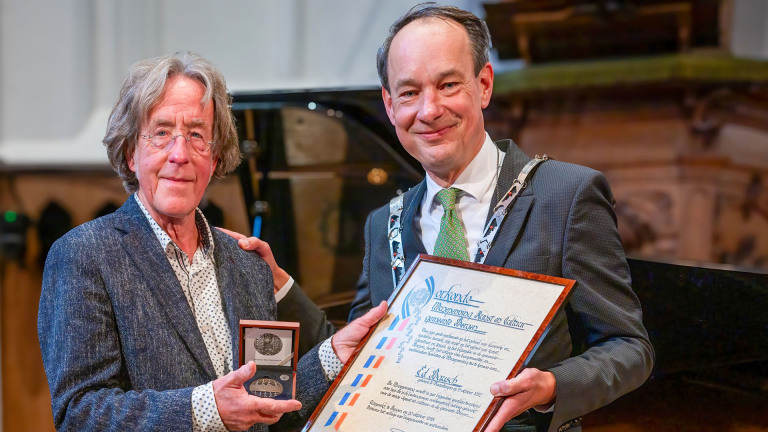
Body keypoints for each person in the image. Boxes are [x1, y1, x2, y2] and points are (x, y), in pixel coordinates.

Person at [235, 4, 654, 432]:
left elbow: (629, 348)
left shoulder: (565, 196)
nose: (429, 110)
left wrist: (551, 386)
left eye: (448, 84)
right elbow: (360, 351)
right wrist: (281, 285)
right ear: (390, 103)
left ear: (484, 84)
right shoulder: (384, 225)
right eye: (410, 92)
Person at [37, 51, 385, 432]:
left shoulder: (248, 264)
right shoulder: (85, 254)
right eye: (161, 133)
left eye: (197, 136)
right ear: (130, 153)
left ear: (215, 158)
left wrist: (333, 355)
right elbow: (81, 413)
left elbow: (269, 402)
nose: (180, 154)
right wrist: (206, 408)